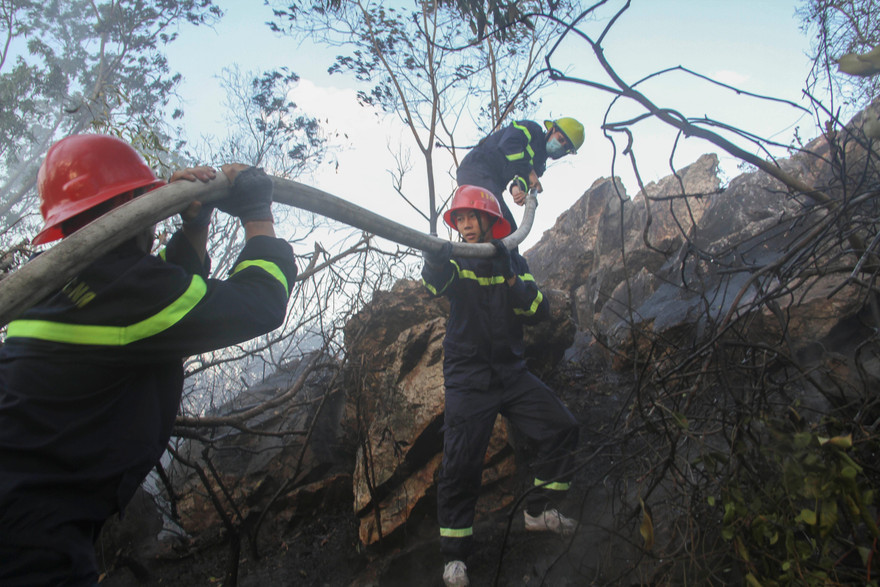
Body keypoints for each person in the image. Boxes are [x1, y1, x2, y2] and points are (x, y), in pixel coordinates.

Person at [0, 133, 298, 586]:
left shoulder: (66, 287)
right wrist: (258, 212)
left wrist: (195, 227)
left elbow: (163, 315)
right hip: (28, 538)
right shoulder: (126, 292)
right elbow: (261, 301)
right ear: (137, 206)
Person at [421, 185, 580, 587]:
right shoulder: (457, 258)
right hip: (468, 378)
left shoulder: (514, 258)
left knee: (561, 427)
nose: (466, 225)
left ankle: (537, 511)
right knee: (461, 465)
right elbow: (439, 285)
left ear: (491, 220)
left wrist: (511, 275)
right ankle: (455, 558)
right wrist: (434, 261)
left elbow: (536, 310)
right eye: (460, 218)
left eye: (473, 217)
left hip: (511, 374)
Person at [456, 117, 585, 232]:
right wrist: (530, 171)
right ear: (552, 130)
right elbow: (508, 145)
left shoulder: (539, 165)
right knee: (504, 223)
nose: (560, 146)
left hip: (491, 183)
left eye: (565, 147)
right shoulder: (531, 129)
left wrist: (517, 189)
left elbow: (523, 178)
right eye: (560, 139)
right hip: (475, 169)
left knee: (493, 226)